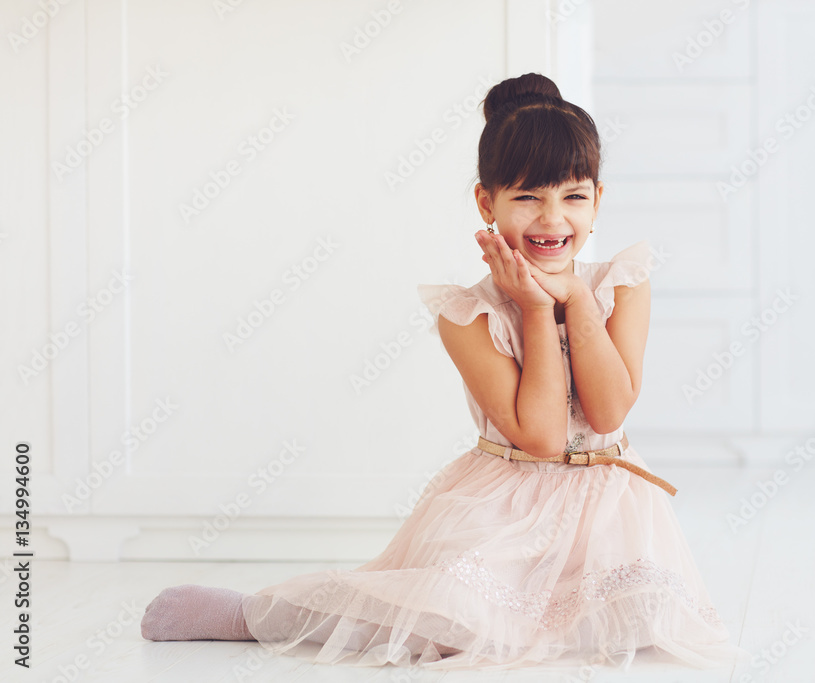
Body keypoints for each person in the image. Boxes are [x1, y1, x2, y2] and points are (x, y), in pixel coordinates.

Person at [140, 72, 748, 672]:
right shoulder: (468, 313)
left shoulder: (620, 285)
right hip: (508, 507)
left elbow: (609, 412)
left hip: (609, 510)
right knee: (445, 619)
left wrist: (578, 302)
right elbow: (536, 436)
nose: (552, 220)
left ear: (598, 200)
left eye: (572, 197)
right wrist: (538, 308)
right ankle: (252, 614)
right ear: (487, 202)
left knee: (641, 620)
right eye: (528, 197)